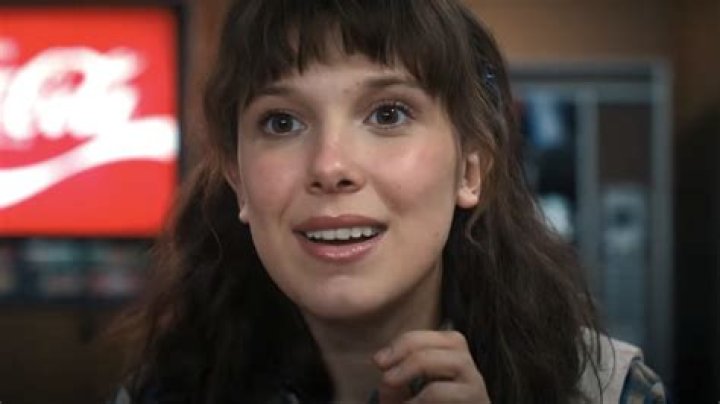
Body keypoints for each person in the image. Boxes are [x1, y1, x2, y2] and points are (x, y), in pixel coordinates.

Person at [108, 0, 667, 403]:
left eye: (388, 114)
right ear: (238, 181)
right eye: (281, 122)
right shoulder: (160, 393)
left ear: (470, 169)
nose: (330, 167)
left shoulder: (608, 391)